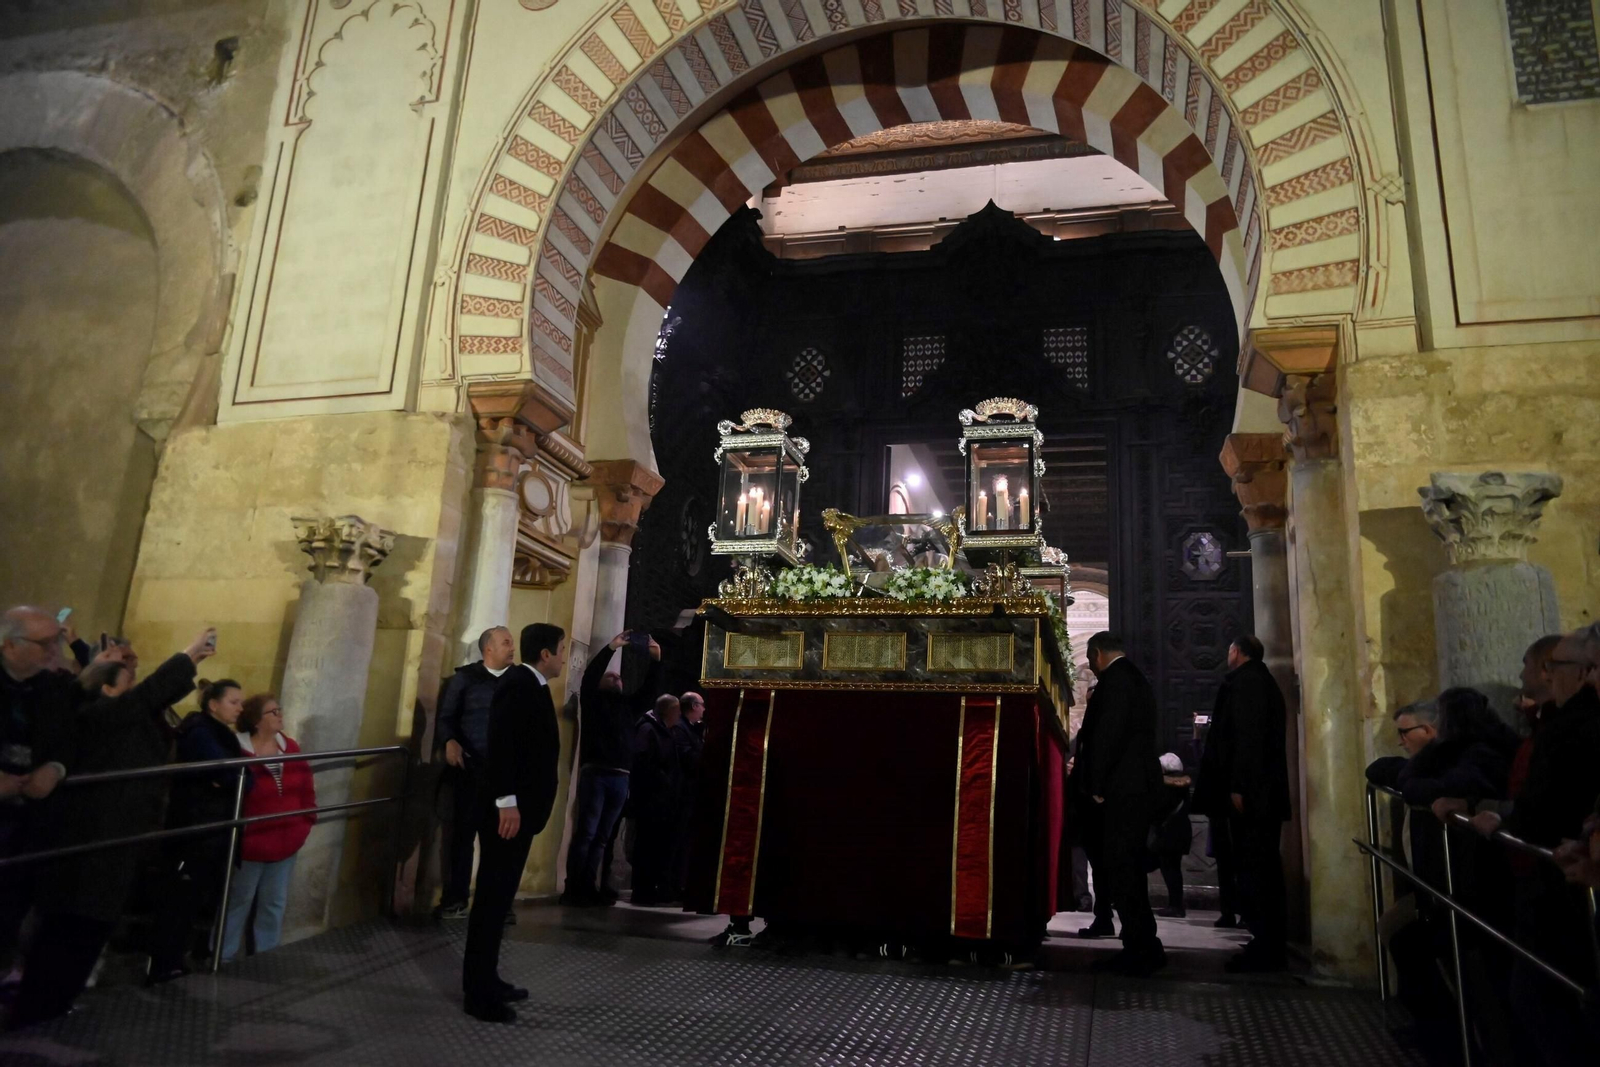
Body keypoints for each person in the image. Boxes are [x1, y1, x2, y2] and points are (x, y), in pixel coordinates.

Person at [7, 629, 214, 1029]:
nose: (134, 682)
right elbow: (150, 695)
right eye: (127, 678)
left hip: (116, 839)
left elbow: (147, 705)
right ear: (108, 690)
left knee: (91, 930)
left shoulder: (122, 718)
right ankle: (36, 1013)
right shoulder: (100, 715)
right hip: (90, 842)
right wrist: (188, 656)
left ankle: (57, 1006)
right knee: (67, 933)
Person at [1470, 623, 1600, 1067]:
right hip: (1556, 867)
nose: (1544, 674)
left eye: (1553, 667)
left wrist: (1517, 822)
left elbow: (1552, 797)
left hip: (1556, 880)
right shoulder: (1560, 724)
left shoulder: (1575, 727)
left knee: (1544, 996)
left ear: (1583, 671)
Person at [461, 622, 565, 1023]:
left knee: (499, 900)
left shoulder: (530, 683)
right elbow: (503, 746)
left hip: (520, 812)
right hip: (508, 813)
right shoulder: (519, 684)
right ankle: (478, 993)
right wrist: (507, 802)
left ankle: (489, 978)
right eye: (560, 649)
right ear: (545, 654)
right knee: (490, 900)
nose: (561, 657)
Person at [147, 677, 253, 984]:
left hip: (211, 830)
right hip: (195, 831)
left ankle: (177, 959)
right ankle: (164, 965)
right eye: (234, 702)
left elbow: (244, 778)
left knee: (194, 901)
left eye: (241, 702)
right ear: (213, 704)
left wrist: (233, 778)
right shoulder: (200, 732)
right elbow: (229, 773)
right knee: (180, 900)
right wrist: (232, 778)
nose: (240, 708)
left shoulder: (220, 734)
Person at [1195, 635, 1291, 972]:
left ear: (1236, 651)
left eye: (1228, 650)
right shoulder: (1259, 681)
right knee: (1257, 867)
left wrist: (1238, 787)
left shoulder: (1249, 684)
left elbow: (1248, 739)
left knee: (1256, 869)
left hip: (1252, 797)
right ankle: (1264, 941)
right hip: (1259, 794)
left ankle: (1266, 947)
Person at [1077, 632, 1164, 976]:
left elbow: (1107, 735)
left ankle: (1140, 949)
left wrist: (1096, 785)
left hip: (1122, 792)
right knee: (1128, 871)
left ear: (1096, 654)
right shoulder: (1134, 679)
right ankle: (1143, 945)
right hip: (1136, 788)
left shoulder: (1115, 682)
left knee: (1124, 870)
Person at [0, 606, 79, 967]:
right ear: (9, 646)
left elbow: (68, 740)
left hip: (26, 830)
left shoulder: (53, 688)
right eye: (45, 642)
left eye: (57, 640)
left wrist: (56, 768)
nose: (53, 651)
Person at [561, 631, 660, 906]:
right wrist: (611, 648)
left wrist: (656, 659)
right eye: (611, 676)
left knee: (603, 836)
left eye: (619, 677)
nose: (616, 678)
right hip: (597, 773)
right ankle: (574, 887)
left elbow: (650, 690)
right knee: (587, 832)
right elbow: (590, 676)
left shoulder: (629, 707)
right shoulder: (593, 702)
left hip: (620, 778)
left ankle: (591, 885)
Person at [220, 693, 316, 962]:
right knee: (237, 902)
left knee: (273, 904)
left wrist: (305, 823)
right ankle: (223, 956)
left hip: (286, 840)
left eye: (279, 711)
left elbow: (306, 788)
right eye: (273, 712)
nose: (280, 716)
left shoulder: (291, 748)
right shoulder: (239, 752)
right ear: (256, 720)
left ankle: (266, 957)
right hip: (251, 842)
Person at [434, 626, 515, 919]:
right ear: (488, 649)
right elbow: (446, 718)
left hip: (505, 776)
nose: (512, 647)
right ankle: (455, 898)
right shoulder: (464, 679)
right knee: (461, 837)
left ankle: (496, 904)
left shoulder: (519, 682)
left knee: (501, 843)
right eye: (506, 642)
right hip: (469, 771)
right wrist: (449, 741)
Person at [630, 694, 684, 907]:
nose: (679, 714)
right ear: (668, 711)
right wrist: (663, 780)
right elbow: (643, 762)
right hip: (650, 799)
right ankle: (642, 890)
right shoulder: (648, 730)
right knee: (646, 845)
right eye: (677, 710)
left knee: (658, 846)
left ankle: (653, 887)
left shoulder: (668, 731)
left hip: (663, 800)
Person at [670, 691, 706, 899]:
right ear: (693, 706)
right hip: (682, 793)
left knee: (685, 840)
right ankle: (675, 884)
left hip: (689, 793)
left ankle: (680, 882)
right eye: (701, 705)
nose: (704, 708)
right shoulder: (681, 729)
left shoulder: (691, 729)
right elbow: (688, 758)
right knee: (679, 839)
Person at [1151, 752, 1192, 918]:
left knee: (1170, 870)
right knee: (1173, 869)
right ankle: (1175, 904)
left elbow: (1159, 808)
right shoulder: (1183, 785)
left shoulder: (1166, 786)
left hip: (1169, 834)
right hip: (1180, 832)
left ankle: (1175, 905)